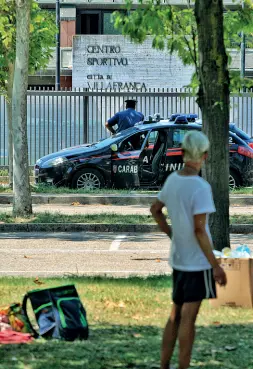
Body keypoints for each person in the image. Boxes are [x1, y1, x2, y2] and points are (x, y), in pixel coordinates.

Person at [150, 130, 227, 369]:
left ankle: (164, 365)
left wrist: (171, 233)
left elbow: (155, 209)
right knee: (188, 319)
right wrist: (216, 266)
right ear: (204, 155)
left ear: (182, 152)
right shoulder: (200, 187)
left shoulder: (172, 180)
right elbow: (200, 230)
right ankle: (183, 366)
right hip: (197, 262)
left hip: (179, 259)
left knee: (175, 315)